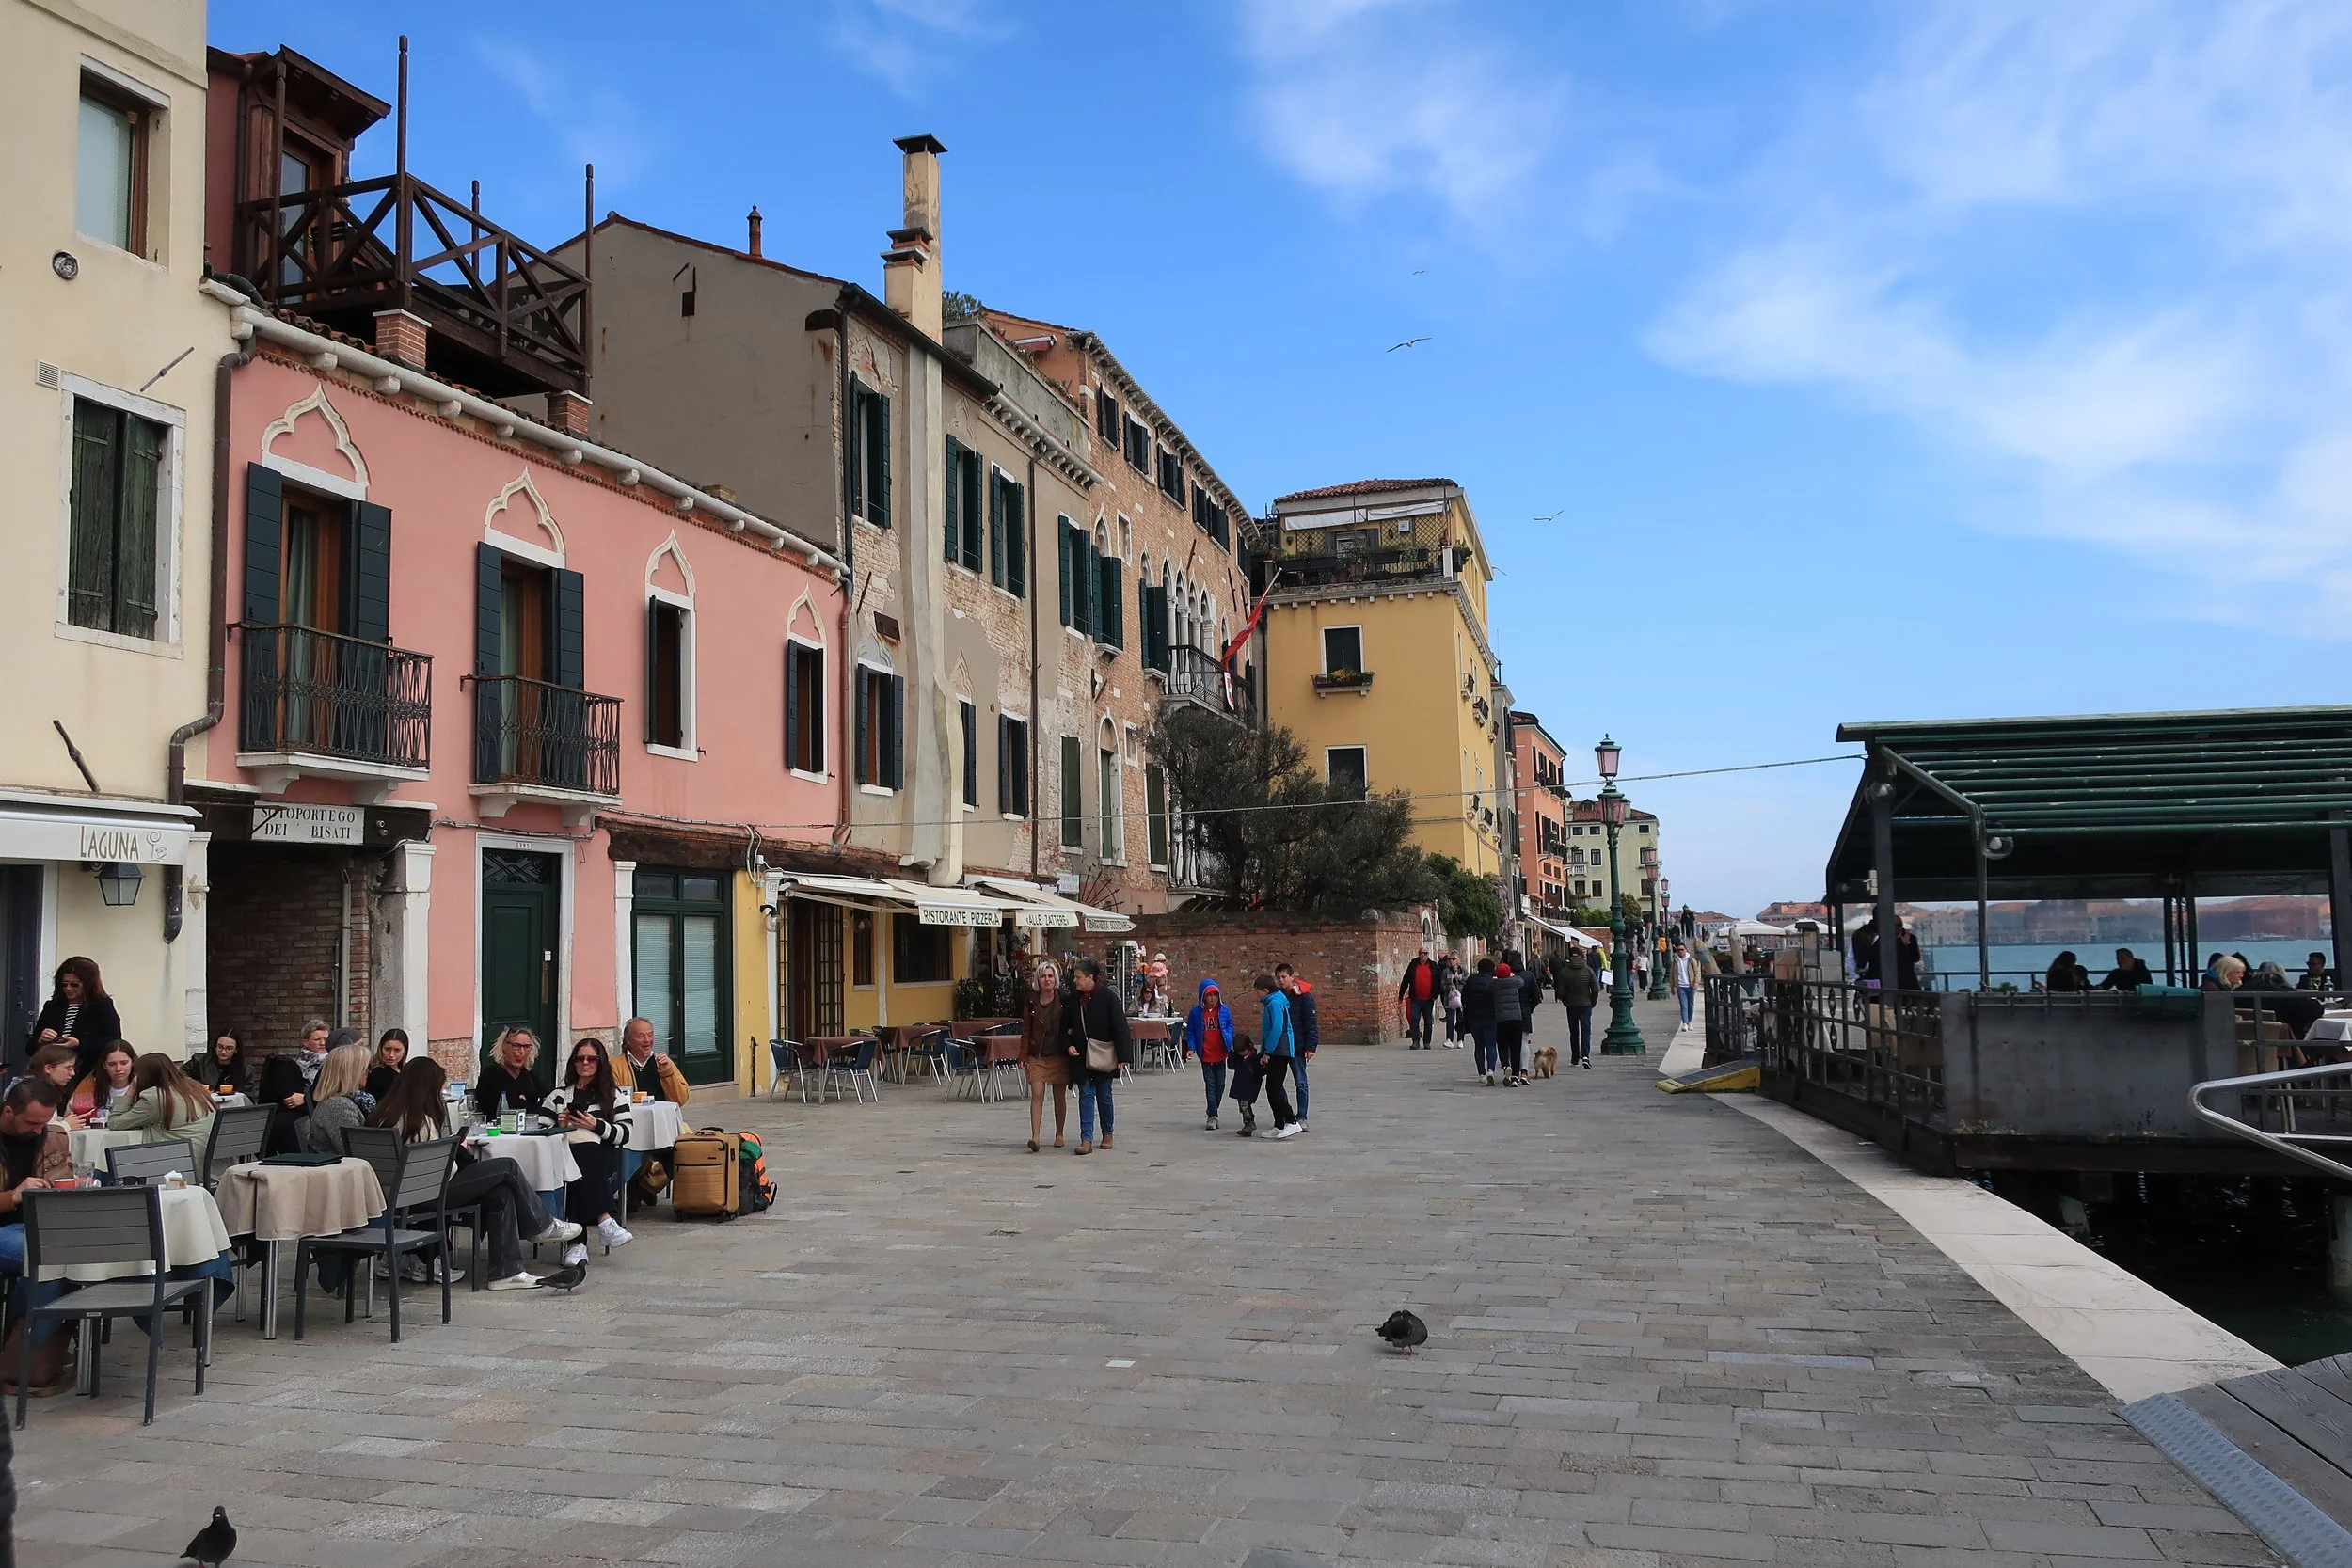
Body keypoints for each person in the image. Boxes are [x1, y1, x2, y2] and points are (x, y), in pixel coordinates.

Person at [369, 1059, 583, 1290]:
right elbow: (440, 1170)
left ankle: (507, 1272)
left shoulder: (384, 1113)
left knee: (501, 1193)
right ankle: (542, 1225)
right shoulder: (419, 1120)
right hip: (426, 1195)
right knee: (507, 1167)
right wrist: (457, 1151)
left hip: (394, 1195)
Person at [0, 1082, 77, 1397]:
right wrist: (13, 1196)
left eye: (43, 1124)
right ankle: (25, 1343)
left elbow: (63, 1178)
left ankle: (25, 1346)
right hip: (8, 1227)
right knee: (45, 1257)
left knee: (73, 1255)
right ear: (7, 1111)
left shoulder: (53, 1135)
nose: (36, 1131)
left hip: (41, 1225)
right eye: (30, 1123)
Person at [547, 1038, 633, 1247]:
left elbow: (625, 1133)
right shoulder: (558, 1096)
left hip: (602, 1161)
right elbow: (540, 1130)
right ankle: (605, 1221)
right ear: (573, 1063)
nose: (585, 1063)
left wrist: (596, 1126)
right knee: (581, 1159)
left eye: (591, 1059)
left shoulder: (614, 1096)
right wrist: (560, 1124)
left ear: (600, 1062)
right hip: (563, 1158)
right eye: (580, 1058)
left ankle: (577, 1246)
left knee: (586, 1155)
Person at [1062, 958, 1131, 1154]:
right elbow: (1064, 1028)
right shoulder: (1073, 1000)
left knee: (1104, 1095)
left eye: (1078, 977)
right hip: (1081, 1056)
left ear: (1090, 977)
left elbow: (1120, 1027)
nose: (1075, 981)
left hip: (1104, 1055)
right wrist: (1068, 1045)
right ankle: (1086, 1139)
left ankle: (1107, 1133)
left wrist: (1123, 1055)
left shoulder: (1108, 998)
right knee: (1085, 1094)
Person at [24, 957, 120, 1080]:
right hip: (51, 1076)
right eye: (64, 984)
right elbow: (30, 1048)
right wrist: (41, 1040)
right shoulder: (52, 1007)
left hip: (85, 1073)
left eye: (75, 985)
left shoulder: (101, 1006)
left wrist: (79, 1044)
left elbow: (112, 1041)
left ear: (88, 984)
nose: (68, 988)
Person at [106, 1053, 216, 1154]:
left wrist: (130, 1091)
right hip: (207, 1159)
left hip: (177, 1162)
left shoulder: (155, 1097)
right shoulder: (194, 1087)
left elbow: (116, 1123)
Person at [256, 1019, 330, 1155]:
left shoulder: (332, 1062)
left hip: (318, 1106)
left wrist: (306, 1098)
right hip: (294, 1106)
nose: (322, 1043)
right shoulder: (297, 1063)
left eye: (325, 1039)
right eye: (317, 1039)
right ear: (305, 1042)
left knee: (283, 1124)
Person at [1022, 962, 1070, 1152]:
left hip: (1059, 1054)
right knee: (1037, 1093)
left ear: (1055, 979)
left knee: (1059, 1096)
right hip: (1037, 1054)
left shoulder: (1063, 999)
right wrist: (1022, 1055)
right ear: (1038, 980)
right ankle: (1035, 1136)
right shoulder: (1031, 1002)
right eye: (1043, 977)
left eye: (1050, 976)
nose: (1047, 980)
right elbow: (1026, 1031)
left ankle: (1059, 1134)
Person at [299, 1042, 375, 1157]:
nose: (369, 1072)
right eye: (365, 1068)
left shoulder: (344, 1100)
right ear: (350, 1072)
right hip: (337, 1171)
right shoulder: (338, 1106)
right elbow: (356, 1152)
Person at [1252, 973, 1300, 1138]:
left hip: (1280, 1050)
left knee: (1275, 1088)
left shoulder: (1274, 1003)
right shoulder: (1274, 1002)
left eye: (1257, 991)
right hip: (1277, 1050)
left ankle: (1291, 1121)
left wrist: (1268, 1052)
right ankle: (1279, 1124)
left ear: (1265, 990)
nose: (1257, 995)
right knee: (1272, 1088)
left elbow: (1277, 1028)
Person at [1184, 978, 1233, 1132]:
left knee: (1221, 1085)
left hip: (1221, 1053)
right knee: (1210, 1085)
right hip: (1206, 1054)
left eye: (1215, 995)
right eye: (1209, 995)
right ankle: (1213, 1115)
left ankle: (1212, 1108)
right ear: (1202, 996)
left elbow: (1229, 1025)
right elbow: (1191, 1031)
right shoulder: (1196, 1013)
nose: (1212, 998)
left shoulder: (1224, 1010)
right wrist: (1191, 1047)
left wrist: (1229, 1039)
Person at [1274, 965, 1318, 1130]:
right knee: (1277, 1083)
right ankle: (1287, 1114)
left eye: (1284, 977)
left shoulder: (1304, 997)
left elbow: (1310, 1023)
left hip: (1298, 1047)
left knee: (1300, 1082)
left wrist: (1311, 1046)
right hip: (1281, 1047)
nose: (1281, 980)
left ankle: (1302, 1116)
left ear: (1292, 977)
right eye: (1278, 977)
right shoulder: (1276, 997)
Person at [612, 1017, 690, 1104]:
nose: (647, 1040)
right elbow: (612, 1100)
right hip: (632, 1116)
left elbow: (681, 1099)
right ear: (628, 1040)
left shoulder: (663, 1063)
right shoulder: (615, 1066)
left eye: (650, 1035)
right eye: (641, 1036)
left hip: (661, 1116)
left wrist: (666, 1073)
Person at [473, 1027, 544, 1120]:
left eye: (527, 1047)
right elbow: (512, 1108)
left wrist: (528, 1103)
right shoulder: (492, 1073)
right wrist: (532, 1103)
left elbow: (547, 1100)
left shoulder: (527, 1075)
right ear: (504, 1047)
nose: (522, 1051)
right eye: (516, 1045)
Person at [65, 1042, 135, 1127]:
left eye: (124, 1063)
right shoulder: (89, 1086)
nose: (118, 1069)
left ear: (132, 1062)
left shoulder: (142, 1087)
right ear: (104, 1065)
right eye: (112, 1064)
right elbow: (69, 1117)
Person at [1558, 945, 1597, 1068]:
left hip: (1571, 1005)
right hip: (1586, 1004)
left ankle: (1575, 1058)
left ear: (1569, 956)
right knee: (1586, 1031)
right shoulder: (1588, 970)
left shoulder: (1564, 972)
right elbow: (1595, 989)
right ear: (1580, 955)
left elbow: (1561, 992)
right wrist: (1592, 1002)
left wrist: (1566, 1001)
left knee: (1574, 1032)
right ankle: (1585, 1056)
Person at [1461, 958, 1500, 1083]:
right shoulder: (1494, 981)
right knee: (1491, 1045)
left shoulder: (1471, 980)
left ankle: (1481, 1073)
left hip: (1474, 1018)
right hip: (1491, 1017)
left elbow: (1464, 998)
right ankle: (1491, 1070)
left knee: (1479, 1046)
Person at [1491, 956, 1527, 1087]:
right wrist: (1511, 975)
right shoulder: (1515, 981)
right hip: (1516, 1018)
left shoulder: (1494, 985)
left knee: (1503, 1046)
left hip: (1501, 1019)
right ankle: (1514, 1076)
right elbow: (1521, 981)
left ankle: (1506, 1065)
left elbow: (1487, 989)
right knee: (1516, 1047)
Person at [1399, 946, 1440, 1050]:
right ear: (1418, 954)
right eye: (1421, 953)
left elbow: (1438, 982)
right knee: (1415, 1019)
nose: (1423, 955)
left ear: (1428, 954)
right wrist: (1401, 996)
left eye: (1425, 953)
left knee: (1428, 1021)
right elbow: (1405, 980)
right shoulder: (1413, 965)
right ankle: (1415, 1041)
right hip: (1416, 999)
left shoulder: (1433, 966)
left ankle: (1427, 1042)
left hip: (1428, 999)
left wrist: (1435, 995)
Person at [185, 1029, 247, 1097]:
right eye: (220, 1047)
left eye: (229, 1048)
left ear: (236, 1050)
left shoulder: (246, 1070)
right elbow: (179, 1076)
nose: (223, 1051)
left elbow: (248, 1099)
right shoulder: (199, 1061)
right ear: (215, 1047)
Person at [364, 1029, 410, 1101]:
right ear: (381, 1048)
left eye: (397, 1050)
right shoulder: (376, 1073)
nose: (391, 1055)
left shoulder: (408, 1070)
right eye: (387, 1049)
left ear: (405, 1051)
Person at [1672, 942, 1705, 1031]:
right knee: (1684, 1005)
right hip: (1681, 986)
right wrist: (1673, 987)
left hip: (1691, 986)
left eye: (1682, 950)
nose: (1680, 952)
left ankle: (1690, 1021)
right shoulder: (1675, 960)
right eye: (1678, 950)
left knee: (1691, 1005)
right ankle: (1685, 1023)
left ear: (1685, 950)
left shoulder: (1691, 960)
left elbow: (1697, 972)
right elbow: (1672, 974)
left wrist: (1696, 983)